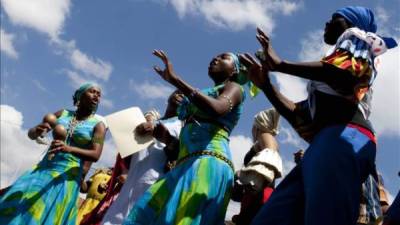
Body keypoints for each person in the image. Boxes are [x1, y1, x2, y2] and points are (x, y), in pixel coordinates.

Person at [240, 6, 397, 225]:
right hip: (326, 142)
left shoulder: (359, 38)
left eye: (336, 18)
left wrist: (282, 65)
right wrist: (266, 85)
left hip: (346, 137)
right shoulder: (324, 81)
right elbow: (299, 115)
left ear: (352, 24)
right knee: (273, 216)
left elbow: (343, 76)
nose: (327, 23)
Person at [123, 50, 250, 225]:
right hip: (186, 163)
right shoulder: (206, 94)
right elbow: (178, 148)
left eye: (223, 57)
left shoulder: (235, 88)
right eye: (215, 56)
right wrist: (167, 139)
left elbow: (218, 108)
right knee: (145, 212)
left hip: (207, 163)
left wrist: (175, 80)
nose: (215, 58)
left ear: (235, 70)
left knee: (182, 219)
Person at [0, 83, 107, 225]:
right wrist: (36, 130)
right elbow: (32, 135)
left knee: (44, 212)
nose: (96, 95)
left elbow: (96, 154)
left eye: (99, 94)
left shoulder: (98, 125)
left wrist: (68, 149)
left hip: (67, 176)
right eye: (92, 92)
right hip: (44, 168)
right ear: (80, 95)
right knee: (16, 201)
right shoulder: (62, 114)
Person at [101, 99, 183, 225]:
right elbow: (125, 154)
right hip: (130, 183)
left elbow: (179, 154)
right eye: (177, 91)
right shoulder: (147, 121)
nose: (180, 94)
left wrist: (166, 138)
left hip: (153, 183)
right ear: (169, 98)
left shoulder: (182, 126)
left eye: (184, 94)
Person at [231, 108, 282, 225]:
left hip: (259, 200)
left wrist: (246, 177)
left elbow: (270, 155)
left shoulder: (265, 135)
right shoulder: (260, 142)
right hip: (255, 198)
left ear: (259, 125)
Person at [80, 153, 131, 225]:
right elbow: (84, 189)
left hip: (106, 206)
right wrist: (81, 179)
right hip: (88, 206)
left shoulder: (125, 173)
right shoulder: (102, 171)